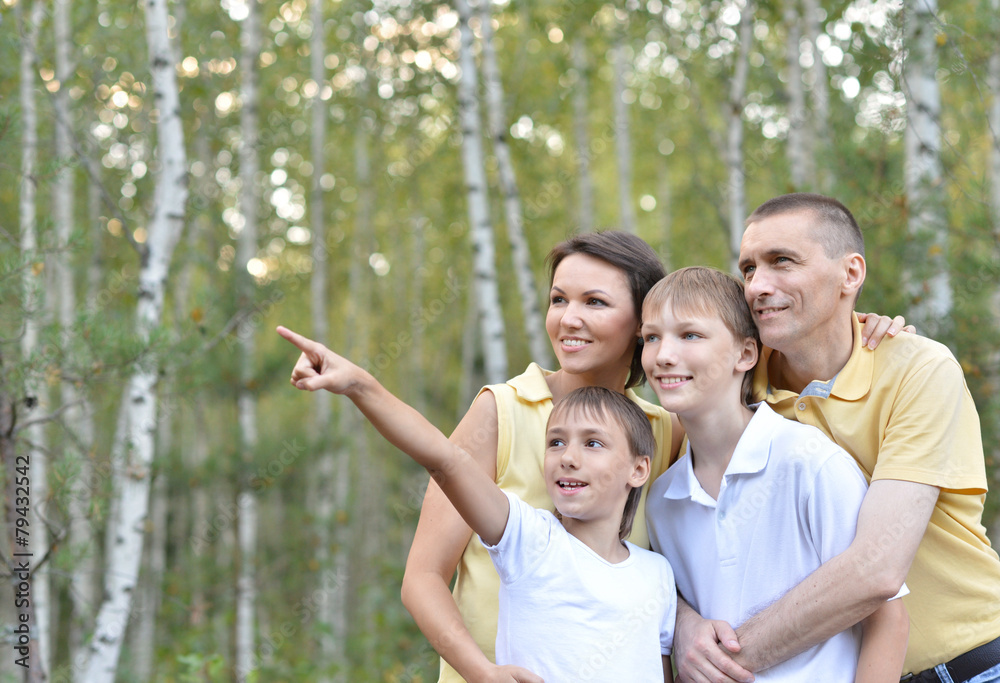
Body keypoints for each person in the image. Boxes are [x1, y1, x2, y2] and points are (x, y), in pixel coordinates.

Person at [396, 230, 905, 683]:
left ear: (638, 320)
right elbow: (422, 576)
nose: (569, 318)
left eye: (595, 302)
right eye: (558, 299)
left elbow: (729, 379)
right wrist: (480, 672)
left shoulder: (663, 431)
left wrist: (857, 330)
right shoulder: (503, 409)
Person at [673, 193, 1000, 683]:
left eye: (782, 261)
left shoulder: (917, 368)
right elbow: (650, 532)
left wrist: (726, 665)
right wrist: (682, 625)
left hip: (969, 664)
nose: (758, 286)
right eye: (748, 269)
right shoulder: (735, 382)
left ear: (851, 274)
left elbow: (876, 571)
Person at [277, 324, 677, 681]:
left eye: (592, 443)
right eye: (555, 442)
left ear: (639, 469)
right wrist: (360, 386)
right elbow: (445, 459)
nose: (568, 457)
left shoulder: (657, 574)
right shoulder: (531, 542)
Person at [640, 266, 908, 682]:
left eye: (690, 335)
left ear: (746, 354)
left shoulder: (810, 463)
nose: (663, 355)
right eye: (651, 337)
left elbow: (888, 620)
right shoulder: (661, 500)